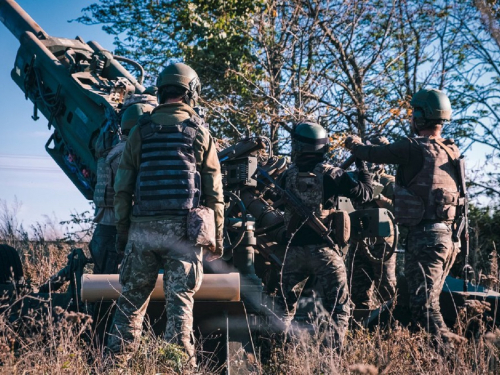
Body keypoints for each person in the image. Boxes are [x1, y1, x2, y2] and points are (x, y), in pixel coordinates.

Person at [107, 63, 224, 367]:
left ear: (161, 90)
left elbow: (122, 189)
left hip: (142, 232)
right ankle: (178, 369)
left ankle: (115, 367)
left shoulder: (140, 131)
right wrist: (216, 242)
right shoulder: (200, 133)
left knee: (130, 305)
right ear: (191, 92)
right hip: (183, 235)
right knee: (180, 310)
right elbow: (214, 195)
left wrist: (123, 232)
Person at [345, 88, 464, 344]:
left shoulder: (413, 147)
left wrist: (353, 144)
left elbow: (370, 154)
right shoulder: (451, 150)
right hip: (448, 239)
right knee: (404, 304)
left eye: (413, 114)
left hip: (427, 240)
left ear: (420, 117)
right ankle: (381, 348)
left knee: (426, 309)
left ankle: (449, 358)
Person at [279, 121, 373, 347]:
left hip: (292, 253)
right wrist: (361, 162)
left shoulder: (286, 176)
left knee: (282, 306)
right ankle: (332, 358)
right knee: (340, 308)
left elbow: (281, 208)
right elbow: (366, 194)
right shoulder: (333, 175)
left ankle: (281, 351)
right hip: (325, 253)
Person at [89, 100, 155, 274]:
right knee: (110, 290)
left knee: (104, 289)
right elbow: (126, 193)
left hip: (107, 228)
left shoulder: (115, 149)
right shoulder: (126, 152)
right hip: (115, 230)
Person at [348, 135, 397, 310]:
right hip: (358, 240)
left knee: (387, 288)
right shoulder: (355, 178)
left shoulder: (389, 181)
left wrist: (379, 197)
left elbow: (398, 208)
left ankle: (391, 324)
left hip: (382, 242)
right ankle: (360, 325)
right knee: (356, 290)